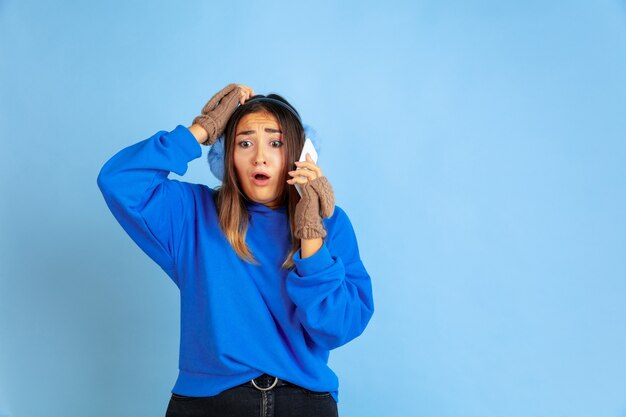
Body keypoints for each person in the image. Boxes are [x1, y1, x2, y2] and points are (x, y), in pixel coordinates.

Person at [97, 84, 374, 417]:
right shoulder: (192, 214)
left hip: (303, 403)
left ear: (300, 155)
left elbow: (335, 327)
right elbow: (118, 180)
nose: (260, 156)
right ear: (226, 156)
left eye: (276, 143)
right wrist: (202, 129)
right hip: (209, 404)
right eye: (245, 143)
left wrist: (311, 230)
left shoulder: (332, 222)